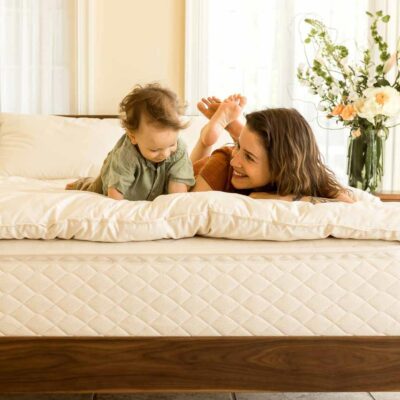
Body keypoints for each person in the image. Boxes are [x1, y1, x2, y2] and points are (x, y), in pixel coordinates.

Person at [190, 94, 354, 203]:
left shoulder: (305, 173)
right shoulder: (224, 164)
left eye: (249, 157)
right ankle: (213, 137)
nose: (235, 161)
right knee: (186, 174)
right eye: (239, 147)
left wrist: (279, 198)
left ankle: (236, 131)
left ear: (283, 165)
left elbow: (345, 202)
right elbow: (189, 203)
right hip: (194, 174)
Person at [66, 83, 195, 201]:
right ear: (133, 137)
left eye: (171, 145)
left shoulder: (178, 150)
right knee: (94, 188)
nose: (165, 154)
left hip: (154, 189)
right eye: (154, 150)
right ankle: (83, 183)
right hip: (113, 183)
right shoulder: (126, 155)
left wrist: (175, 204)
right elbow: (114, 194)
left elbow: (178, 187)